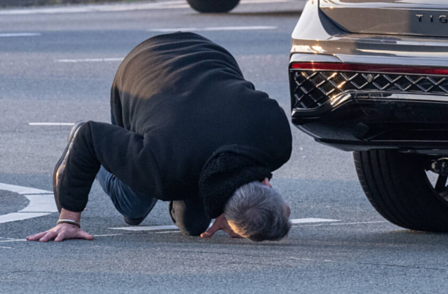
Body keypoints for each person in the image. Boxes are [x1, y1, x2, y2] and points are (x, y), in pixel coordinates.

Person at [28, 32, 292, 243]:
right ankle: (96, 156)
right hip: (144, 68)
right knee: (133, 206)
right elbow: (91, 135)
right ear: (266, 183)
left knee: (194, 226)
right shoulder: (159, 169)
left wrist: (224, 208)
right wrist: (69, 220)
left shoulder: (277, 140)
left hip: (205, 54)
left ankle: (192, 185)